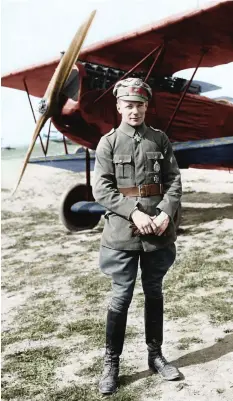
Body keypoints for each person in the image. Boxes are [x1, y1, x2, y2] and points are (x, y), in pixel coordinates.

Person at [92, 77, 182, 395]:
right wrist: (134, 212)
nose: (135, 111)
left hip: (158, 231)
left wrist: (166, 213)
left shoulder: (159, 139)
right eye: (129, 105)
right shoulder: (109, 143)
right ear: (118, 106)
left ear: (146, 106)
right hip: (122, 235)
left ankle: (155, 356)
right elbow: (101, 187)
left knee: (155, 292)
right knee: (121, 297)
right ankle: (111, 363)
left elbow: (173, 181)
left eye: (140, 105)